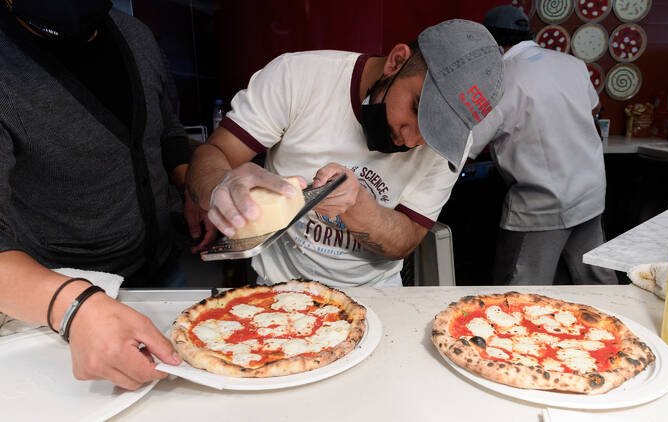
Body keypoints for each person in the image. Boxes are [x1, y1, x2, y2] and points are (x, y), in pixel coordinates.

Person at [187, 19, 504, 288]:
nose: (411, 140)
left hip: (378, 297)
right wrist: (220, 186)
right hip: (278, 289)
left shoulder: (451, 147)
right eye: (417, 111)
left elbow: (407, 240)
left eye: (435, 134)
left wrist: (357, 206)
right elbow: (214, 152)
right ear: (395, 61)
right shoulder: (300, 77)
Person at [0, 0, 215, 389]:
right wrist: (74, 307)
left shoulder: (135, 34)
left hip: (164, 270)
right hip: (56, 305)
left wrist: (190, 186)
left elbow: (165, 130)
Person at [474, 6, 618, 285]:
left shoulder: (499, 79)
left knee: (517, 294)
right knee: (597, 283)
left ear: (491, 44)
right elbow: (594, 106)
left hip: (541, 205)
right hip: (590, 193)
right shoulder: (573, 64)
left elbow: (470, 141)